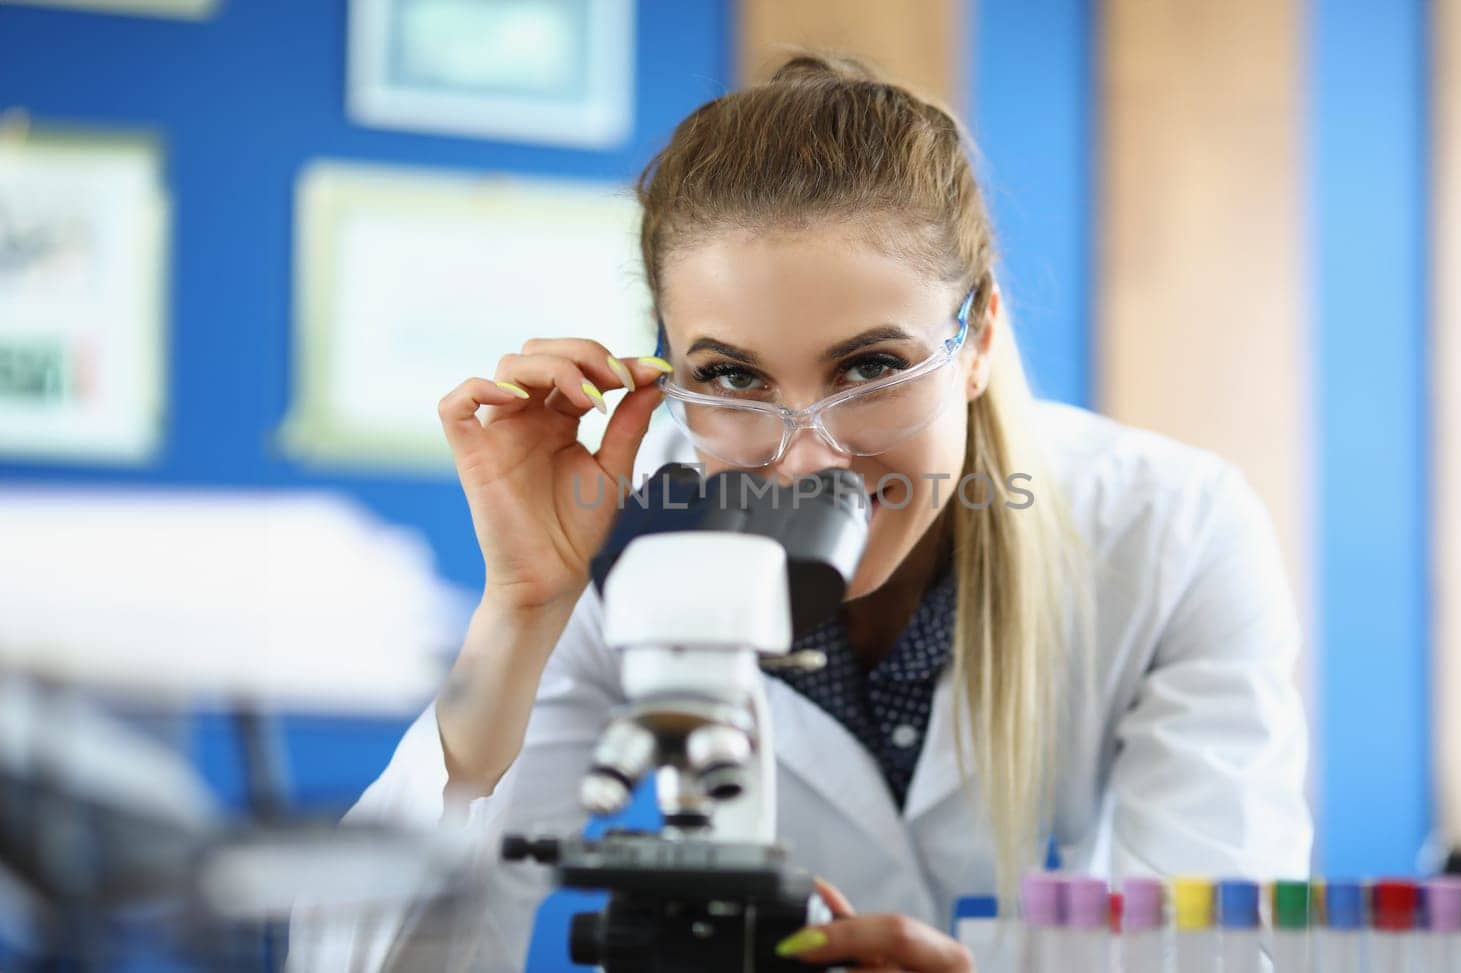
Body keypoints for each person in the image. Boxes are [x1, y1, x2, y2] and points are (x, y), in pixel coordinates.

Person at [287, 53, 1310, 973]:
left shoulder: (1174, 531)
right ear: (668, 367)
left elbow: (1220, 950)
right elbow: (372, 957)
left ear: (979, 335)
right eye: (731, 375)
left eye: (870, 366)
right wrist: (522, 606)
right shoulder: (638, 528)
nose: (807, 454)